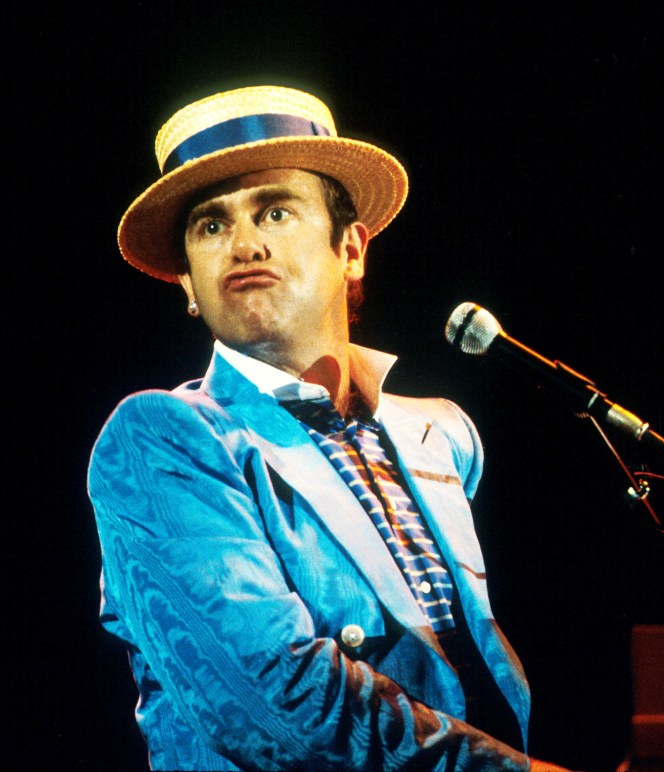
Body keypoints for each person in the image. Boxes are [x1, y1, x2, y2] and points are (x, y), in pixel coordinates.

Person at [88, 85, 569, 771]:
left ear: (352, 249)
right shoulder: (161, 438)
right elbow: (279, 704)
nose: (245, 244)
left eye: (275, 211)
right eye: (211, 226)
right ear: (187, 285)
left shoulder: (442, 437)